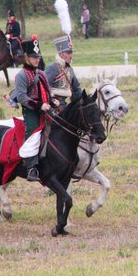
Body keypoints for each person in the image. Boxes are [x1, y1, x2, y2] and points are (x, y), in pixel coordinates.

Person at [14, 36, 59, 181]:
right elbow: (21, 97)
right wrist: (39, 105)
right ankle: (32, 167)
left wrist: (53, 101)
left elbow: (48, 92)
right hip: (31, 112)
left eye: (38, 57)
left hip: (46, 109)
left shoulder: (41, 74)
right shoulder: (21, 75)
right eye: (34, 57)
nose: (37, 59)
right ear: (26, 57)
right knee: (33, 134)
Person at [45, 35, 82, 109]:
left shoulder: (70, 69)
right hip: (51, 105)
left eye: (71, 53)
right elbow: (44, 85)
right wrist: (52, 99)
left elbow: (76, 89)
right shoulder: (52, 68)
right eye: (68, 53)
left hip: (64, 105)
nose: (71, 56)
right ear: (61, 54)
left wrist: (81, 101)